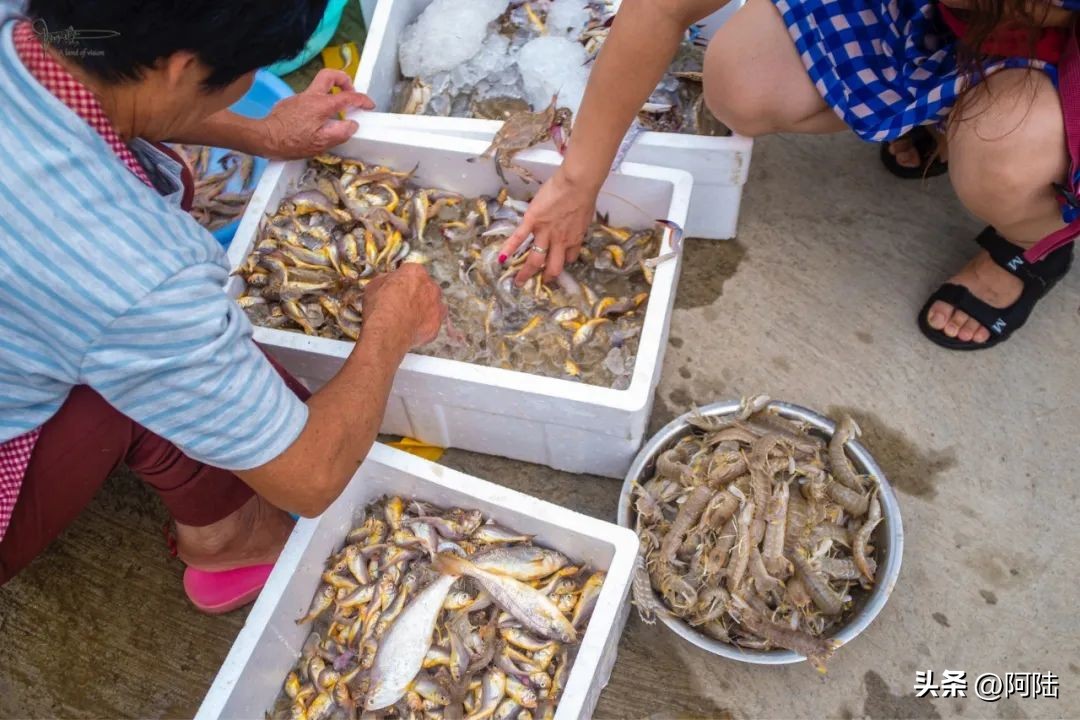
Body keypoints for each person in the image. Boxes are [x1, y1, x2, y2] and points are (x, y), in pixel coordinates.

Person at [0, 0, 446, 611]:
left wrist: (260, 135)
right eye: (251, 66)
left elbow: (116, 87)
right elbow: (310, 477)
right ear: (184, 68)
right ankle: (231, 543)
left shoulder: (38, 28)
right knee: (159, 378)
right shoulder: (134, 275)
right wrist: (388, 330)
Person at [502, 0, 1076, 350]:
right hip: (933, 20)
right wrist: (578, 180)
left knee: (1004, 154)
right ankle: (940, 104)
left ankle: (1031, 237)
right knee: (743, 81)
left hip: (1056, 50)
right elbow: (660, 6)